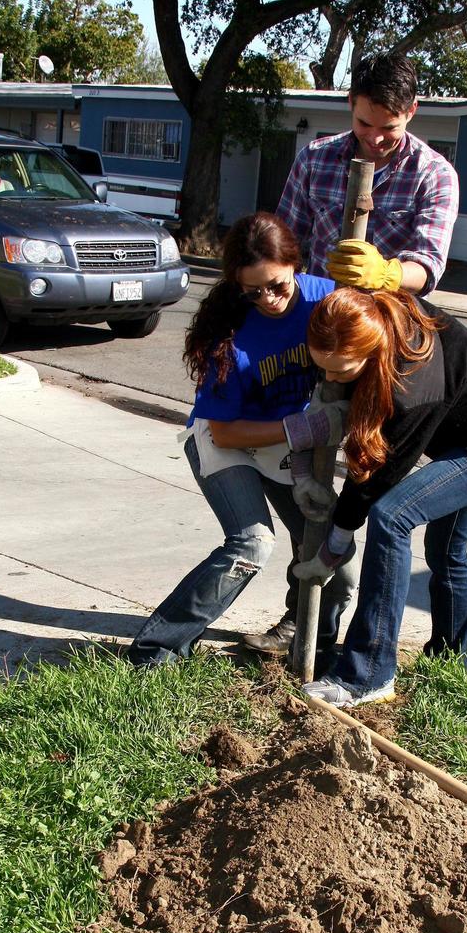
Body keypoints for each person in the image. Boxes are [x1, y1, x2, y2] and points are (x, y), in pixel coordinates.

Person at [127, 213, 357, 668]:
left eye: (277, 285)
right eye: (253, 291)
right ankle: (157, 648)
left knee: (340, 557)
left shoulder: (328, 301)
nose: (268, 300)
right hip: (225, 440)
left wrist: (310, 450)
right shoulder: (230, 334)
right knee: (252, 542)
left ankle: (306, 638)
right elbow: (224, 430)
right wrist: (300, 430)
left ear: (296, 265)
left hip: (290, 445)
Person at [292, 287, 467, 707]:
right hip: (464, 437)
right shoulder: (378, 313)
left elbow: (374, 478)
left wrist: (335, 545)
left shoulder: (412, 389)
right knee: (446, 550)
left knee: (392, 517)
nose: (330, 380)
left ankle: (367, 676)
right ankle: (452, 662)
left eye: (340, 371)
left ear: (372, 352)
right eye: (322, 369)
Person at [276, 51, 459, 296]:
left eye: (388, 127)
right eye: (364, 124)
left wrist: (386, 273)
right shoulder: (314, 158)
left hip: (390, 323)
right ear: (351, 102)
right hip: (321, 314)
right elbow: (284, 245)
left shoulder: (433, 174)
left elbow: (428, 265)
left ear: (411, 110)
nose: (375, 138)